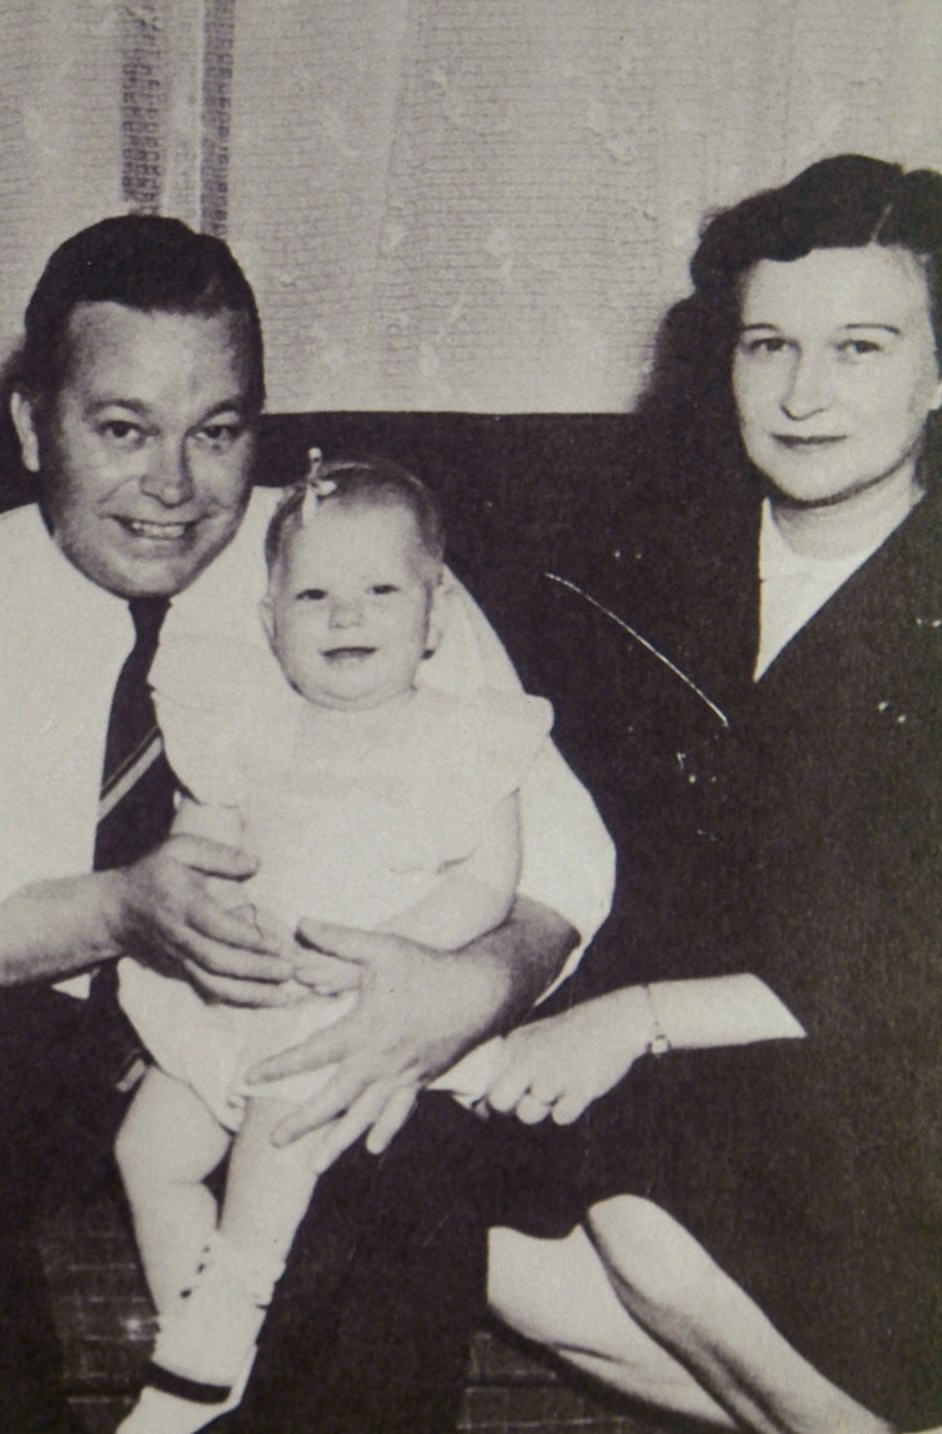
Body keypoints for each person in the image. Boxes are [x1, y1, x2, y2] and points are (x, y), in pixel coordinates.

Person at [0, 214, 614, 1434]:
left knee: (413, 1151)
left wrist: (467, 985)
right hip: (49, 1045)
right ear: (32, 425)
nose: (174, 487)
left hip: (307, 1026)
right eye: (123, 431)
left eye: (216, 433)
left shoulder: (354, 566)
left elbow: (563, 852)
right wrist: (125, 909)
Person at [483, 154, 942, 1433]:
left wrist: (635, 1020)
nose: (802, 394)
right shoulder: (638, 562)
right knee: (465, 1226)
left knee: (639, 1181)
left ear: (939, 373)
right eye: (767, 346)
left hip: (891, 1070)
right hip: (687, 1057)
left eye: (859, 348)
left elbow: (913, 950)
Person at [113, 457, 555, 1434]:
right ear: (271, 623)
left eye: (381, 591)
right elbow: (200, 849)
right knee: (149, 1146)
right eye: (313, 596)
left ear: (434, 617)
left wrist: (379, 952)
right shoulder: (247, 730)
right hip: (249, 991)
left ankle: (226, 1312)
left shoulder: (466, 739)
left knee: (277, 1130)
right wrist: (206, 922)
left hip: (370, 1002)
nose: (346, 615)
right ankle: (207, 1344)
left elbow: (487, 884)